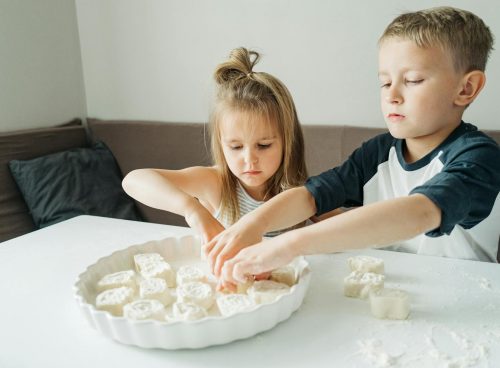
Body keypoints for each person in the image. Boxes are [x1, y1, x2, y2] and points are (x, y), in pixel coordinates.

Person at [206, 6, 500, 287]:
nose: (392, 95)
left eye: (412, 80)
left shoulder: (479, 158)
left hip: (465, 306)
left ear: (466, 88)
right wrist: (252, 225)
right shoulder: (377, 153)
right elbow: (311, 196)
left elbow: (421, 212)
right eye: (385, 83)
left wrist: (289, 245)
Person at [122, 47, 308, 255]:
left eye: (263, 145)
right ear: (221, 143)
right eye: (235, 147)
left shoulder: (304, 192)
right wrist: (192, 210)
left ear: (288, 141)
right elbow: (133, 180)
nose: (249, 159)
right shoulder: (216, 183)